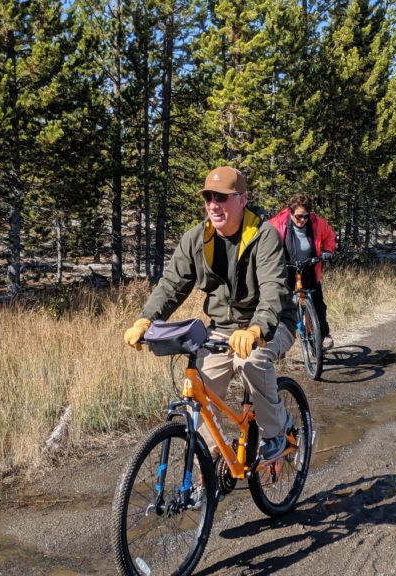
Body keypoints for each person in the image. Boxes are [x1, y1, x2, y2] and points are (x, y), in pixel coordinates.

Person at [123, 166, 296, 462]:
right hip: (223, 328)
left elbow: (273, 291)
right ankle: (209, 455)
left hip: (272, 323)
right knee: (196, 390)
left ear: (242, 199)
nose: (213, 205)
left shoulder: (264, 236)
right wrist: (146, 318)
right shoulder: (197, 239)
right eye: (208, 198)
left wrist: (256, 330)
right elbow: (171, 285)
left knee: (251, 359)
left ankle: (277, 433)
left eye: (222, 197)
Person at [268, 193, 336, 349]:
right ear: (290, 212)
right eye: (298, 216)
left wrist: (328, 250)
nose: (302, 220)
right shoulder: (276, 224)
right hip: (286, 269)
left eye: (305, 216)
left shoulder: (317, 223)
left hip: (309, 267)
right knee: (280, 305)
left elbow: (329, 236)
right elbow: (264, 242)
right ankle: (275, 342)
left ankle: (324, 334)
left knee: (318, 303)